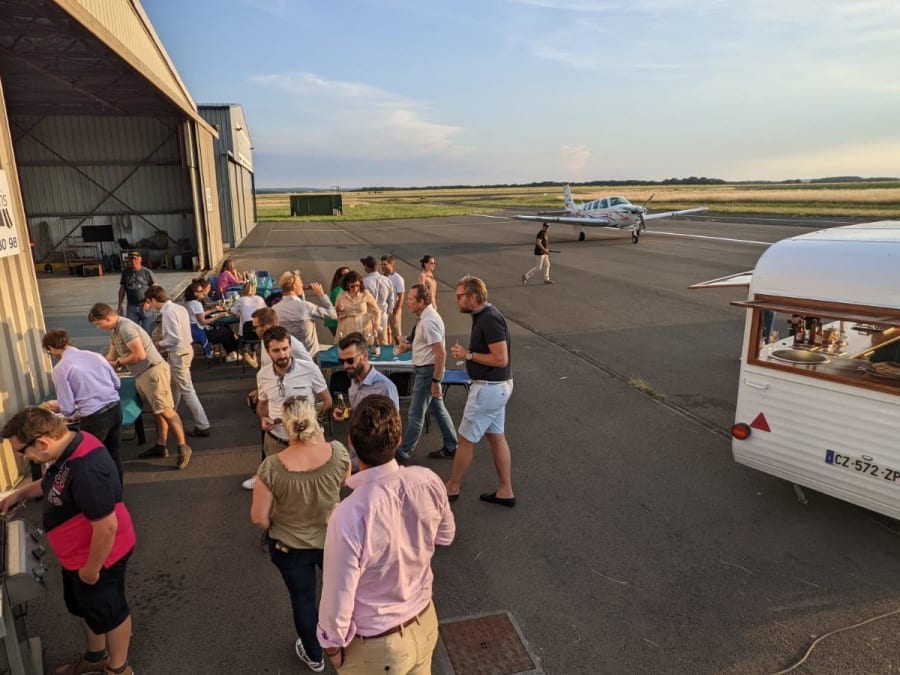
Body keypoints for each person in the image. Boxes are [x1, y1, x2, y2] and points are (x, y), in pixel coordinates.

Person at [316, 396, 456, 674]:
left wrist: (331, 646)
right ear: (399, 438)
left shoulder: (348, 515)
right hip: (424, 621)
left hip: (376, 645)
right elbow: (446, 535)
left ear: (352, 444)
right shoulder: (427, 480)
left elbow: (336, 599)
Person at [1, 407, 137, 675]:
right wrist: (18, 495)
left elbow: (107, 527)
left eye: (22, 451)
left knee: (112, 611)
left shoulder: (87, 468)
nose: (23, 457)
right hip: (79, 557)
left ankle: (120, 669)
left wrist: (92, 568)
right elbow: (50, 484)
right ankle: (96, 656)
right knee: (88, 607)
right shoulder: (68, 446)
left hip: (101, 557)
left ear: (41, 442)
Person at [250, 395, 351, 673]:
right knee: (339, 594)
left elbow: (258, 518)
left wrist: (277, 523)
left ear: (285, 425)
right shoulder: (339, 453)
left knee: (303, 599)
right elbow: (345, 483)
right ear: (314, 420)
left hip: (290, 547)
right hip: (332, 540)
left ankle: (314, 655)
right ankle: (345, 643)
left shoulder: (271, 467)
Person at [88, 302, 193, 470]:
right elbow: (111, 355)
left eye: (99, 324)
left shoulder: (126, 328)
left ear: (107, 318)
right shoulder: (115, 331)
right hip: (143, 374)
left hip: (152, 371)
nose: (100, 328)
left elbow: (139, 354)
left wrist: (118, 363)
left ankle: (183, 447)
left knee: (166, 410)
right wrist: (95, 364)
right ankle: (161, 445)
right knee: (158, 410)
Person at [446, 275, 515, 507]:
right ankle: (505, 491)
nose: (457, 301)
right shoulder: (484, 316)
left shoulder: (489, 319)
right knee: (496, 437)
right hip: (497, 389)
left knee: (465, 440)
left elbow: (500, 358)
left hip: (488, 390)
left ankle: (451, 488)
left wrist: (468, 355)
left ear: (473, 297)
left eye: (459, 296)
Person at [251, 326, 332, 489]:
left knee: (311, 486)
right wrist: (263, 418)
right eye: (276, 351)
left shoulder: (309, 369)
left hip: (308, 441)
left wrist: (311, 420)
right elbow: (263, 405)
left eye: (285, 349)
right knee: (281, 488)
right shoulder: (263, 375)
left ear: (290, 347)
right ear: (268, 352)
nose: (282, 355)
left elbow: (327, 401)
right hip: (276, 442)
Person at [42, 328, 125, 482]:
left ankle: (98, 495)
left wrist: (64, 409)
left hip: (95, 417)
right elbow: (117, 383)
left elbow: (67, 408)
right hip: (114, 408)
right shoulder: (95, 356)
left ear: (51, 348)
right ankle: (117, 493)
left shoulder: (60, 369)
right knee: (113, 454)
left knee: (88, 457)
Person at [394, 284, 457, 462]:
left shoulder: (429, 321)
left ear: (421, 301)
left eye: (411, 299)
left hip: (427, 372)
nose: (407, 302)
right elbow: (427, 346)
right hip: (426, 370)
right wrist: (408, 347)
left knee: (415, 413)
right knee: (437, 409)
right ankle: (452, 445)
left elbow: (440, 353)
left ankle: (404, 452)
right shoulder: (425, 317)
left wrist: (436, 380)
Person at [144, 286, 211, 438]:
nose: (150, 305)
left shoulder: (168, 312)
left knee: (186, 389)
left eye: (150, 302)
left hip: (178, 352)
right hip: (186, 349)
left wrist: (158, 344)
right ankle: (170, 414)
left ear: (154, 300)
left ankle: (202, 424)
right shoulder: (179, 308)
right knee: (175, 386)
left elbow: (174, 339)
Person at [332, 332, 399, 420]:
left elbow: (395, 424)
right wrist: (347, 413)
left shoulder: (385, 387)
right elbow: (360, 413)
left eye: (350, 360)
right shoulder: (354, 381)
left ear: (365, 356)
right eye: (342, 361)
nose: (345, 365)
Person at [273, 269, 337, 361]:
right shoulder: (306, 307)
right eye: (301, 282)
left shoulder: (275, 309)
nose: (302, 285)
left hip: (289, 357)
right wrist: (321, 295)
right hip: (310, 356)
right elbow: (333, 314)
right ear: (294, 286)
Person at [183, 281, 241, 362]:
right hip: (202, 332)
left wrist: (213, 310)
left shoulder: (187, 303)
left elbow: (200, 315)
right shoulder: (196, 304)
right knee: (226, 332)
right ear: (195, 293)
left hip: (192, 331)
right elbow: (203, 321)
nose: (203, 292)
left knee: (225, 328)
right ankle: (234, 352)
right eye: (200, 291)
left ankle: (233, 352)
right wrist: (218, 316)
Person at [334, 270, 381, 346]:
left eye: (357, 285)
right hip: (346, 328)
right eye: (352, 286)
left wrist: (376, 324)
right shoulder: (341, 295)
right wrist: (338, 309)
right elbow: (333, 313)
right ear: (347, 284)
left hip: (363, 327)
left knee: (364, 350)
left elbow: (377, 311)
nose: (355, 288)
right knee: (347, 350)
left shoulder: (365, 294)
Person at [117, 251, 156, 334]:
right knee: (132, 333)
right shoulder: (125, 272)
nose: (133, 261)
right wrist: (120, 305)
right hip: (131, 307)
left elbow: (155, 288)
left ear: (140, 259)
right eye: (131, 259)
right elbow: (122, 288)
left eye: (135, 259)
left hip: (145, 306)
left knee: (147, 332)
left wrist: (149, 301)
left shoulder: (147, 272)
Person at [232, 279, 266, 368]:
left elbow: (234, 314)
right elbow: (266, 312)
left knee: (239, 337)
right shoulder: (260, 299)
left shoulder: (240, 300)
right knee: (255, 330)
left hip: (245, 331)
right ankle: (253, 352)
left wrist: (228, 311)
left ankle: (246, 353)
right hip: (259, 331)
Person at [361, 256, 394, 346]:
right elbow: (391, 299)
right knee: (383, 341)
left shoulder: (365, 282)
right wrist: (387, 312)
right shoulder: (387, 280)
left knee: (369, 341)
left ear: (366, 267)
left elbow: (362, 300)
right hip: (383, 314)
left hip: (369, 315)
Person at [381, 255, 405, 345]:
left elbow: (401, 296)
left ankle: (401, 351)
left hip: (394, 309)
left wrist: (396, 310)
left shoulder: (398, 278)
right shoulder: (381, 278)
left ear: (391, 264)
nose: (383, 267)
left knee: (397, 334)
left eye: (385, 264)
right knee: (386, 333)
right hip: (384, 310)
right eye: (382, 265)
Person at [325, 266, 350, 336]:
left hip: (335, 320)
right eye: (345, 275)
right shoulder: (339, 291)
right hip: (335, 322)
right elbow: (341, 308)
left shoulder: (342, 289)